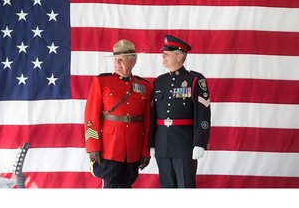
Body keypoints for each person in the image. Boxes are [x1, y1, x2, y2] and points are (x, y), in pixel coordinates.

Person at [84, 39, 152, 188]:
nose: (117, 63)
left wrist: (145, 150)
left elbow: (147, 122)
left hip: (133, 148)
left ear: (133, 62)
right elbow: (91, 117)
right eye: (115, 60)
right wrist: (93, 145)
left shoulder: (144, 86)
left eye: (121, 60)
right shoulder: (102, 82)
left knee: (127, 186)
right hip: (110, 147)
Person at [150, 35, 211, 188]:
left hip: (184, 144)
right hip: (162, 144)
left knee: (185, 187)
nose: (163, 56)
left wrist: (200, 142)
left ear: (179, 56)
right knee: (166, 188)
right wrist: (151, 143)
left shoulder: (195, 80)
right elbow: (153, 115)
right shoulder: (159, 82)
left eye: (167, 53)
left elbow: (203, 114)